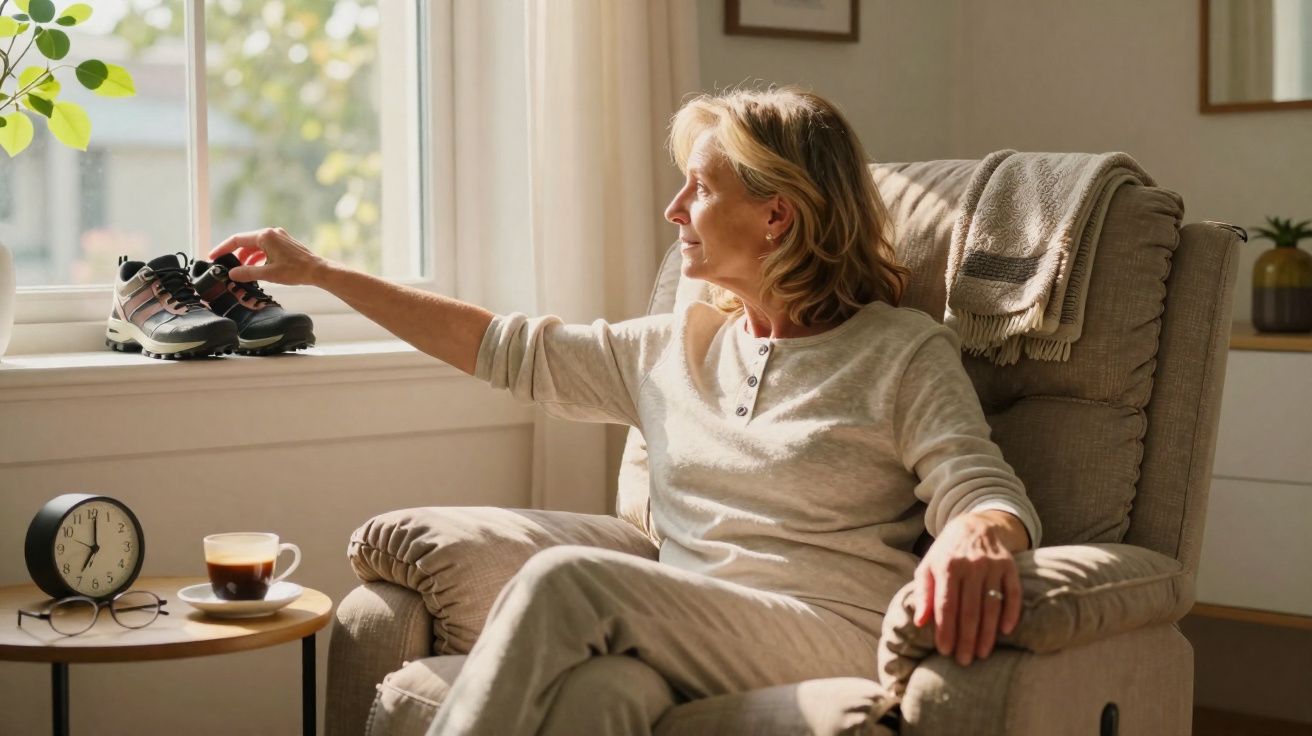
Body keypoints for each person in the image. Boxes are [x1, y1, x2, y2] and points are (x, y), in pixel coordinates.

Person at [212, 86, 1041, 735]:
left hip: (832, 630)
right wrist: (319, 272)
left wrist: (980, 529)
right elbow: (497, 345)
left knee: (570, 582)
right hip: (678, 632)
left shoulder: (900, 350)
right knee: (601, 696)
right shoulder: (671, 347)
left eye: (700, 188)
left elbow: (978, 485)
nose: (675, 210)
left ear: (776, 214)